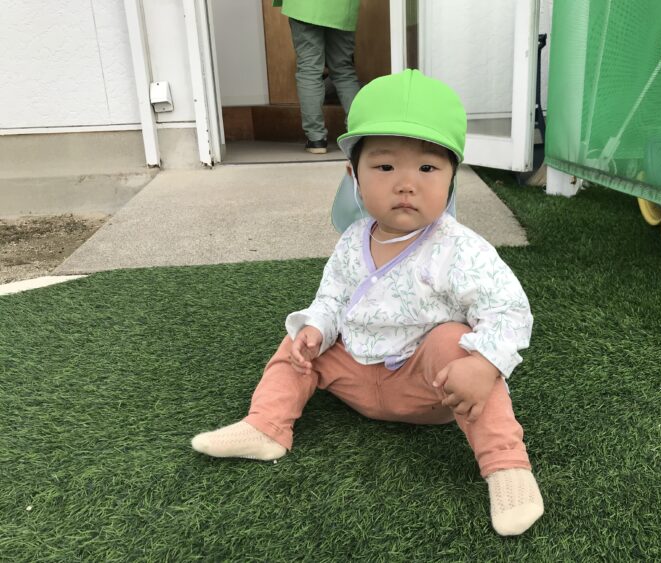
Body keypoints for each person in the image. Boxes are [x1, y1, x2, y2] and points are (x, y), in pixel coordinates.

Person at [191, 70, 544, 536]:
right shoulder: (353, 240)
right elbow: (332, 297)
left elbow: (510, 310)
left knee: (454, 341)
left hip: (430, 387)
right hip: (356, 374)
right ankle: (266, 426)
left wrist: (483, 364)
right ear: (353, 175)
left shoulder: (460, 249)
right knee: (297, 342)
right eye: (385, 167)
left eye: (427, 168)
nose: (406, 184)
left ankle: (506, 467)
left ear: (452, 178)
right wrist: (317, 328)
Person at [273, 0, 362, 154]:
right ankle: (357, 133)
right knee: (344, 70)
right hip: (341, 6)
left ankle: (316, 139)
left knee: (309, 69)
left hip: (304, 6)